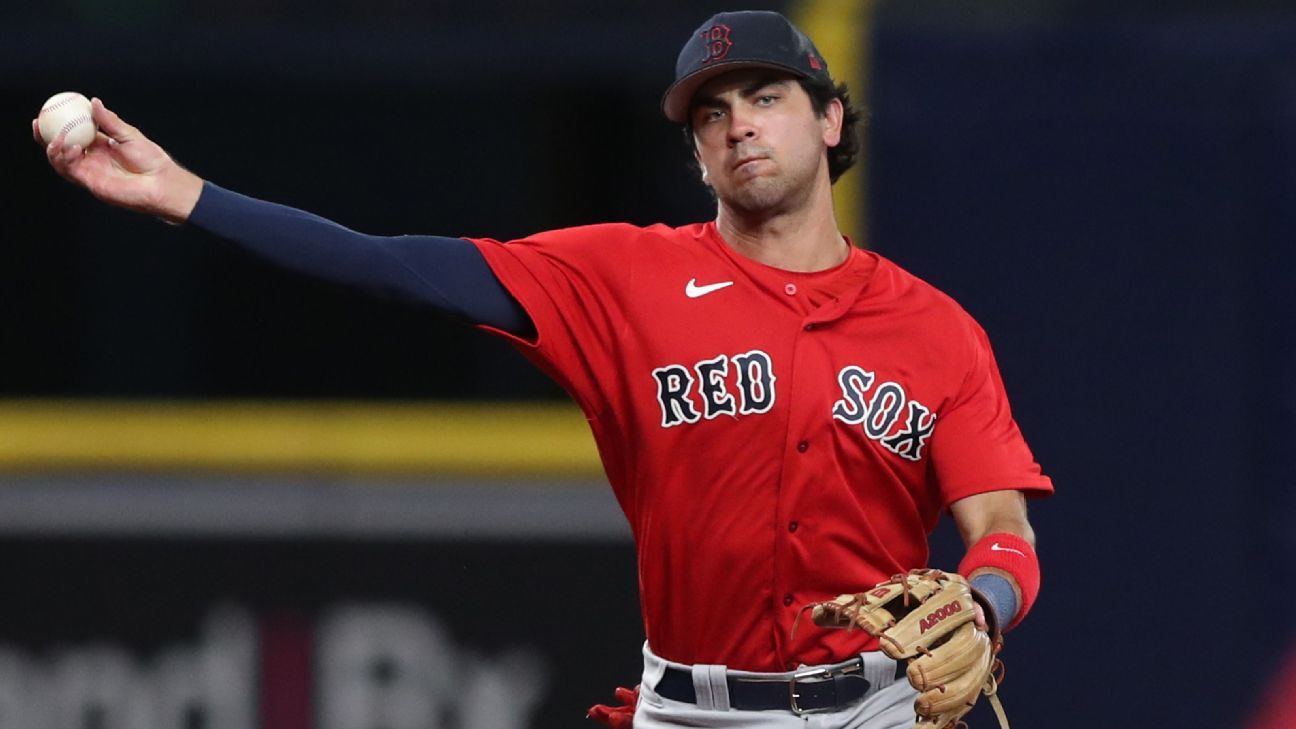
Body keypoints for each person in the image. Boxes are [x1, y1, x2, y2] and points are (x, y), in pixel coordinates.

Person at [36, 10, 1053, 729]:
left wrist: (981, 605)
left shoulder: (936, 331)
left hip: (873, 709)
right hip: (688, 710)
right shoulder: (622, 276)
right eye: (712, 112)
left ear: (830, 119)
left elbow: (1002, 533)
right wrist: (186, 195)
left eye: (768, 96)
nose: (740, 122)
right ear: (696, 153)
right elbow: (396, 266)